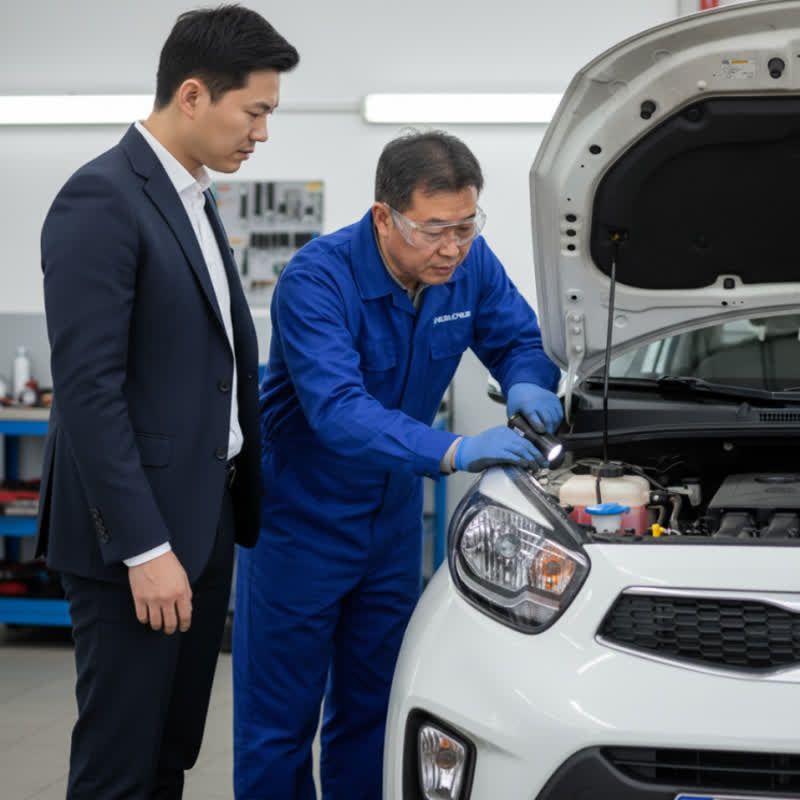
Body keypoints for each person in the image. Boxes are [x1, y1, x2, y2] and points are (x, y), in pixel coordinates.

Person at [233, 130, 563, 799]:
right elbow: (337, 409)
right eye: (434, 229)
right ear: (384, 217)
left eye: (466, 226)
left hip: (390, 526)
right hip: (300, 524)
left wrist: (529, 380)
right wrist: (453, 450)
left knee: (375, 712)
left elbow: (519, 339)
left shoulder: (468, 264)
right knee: (278, 725)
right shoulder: (316, 280)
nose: (452, 247)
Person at [36, 7, 299, 798]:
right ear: (192, 95)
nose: (262, 133)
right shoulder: (101, 198)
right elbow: (88, 392)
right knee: (119, 765)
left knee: (169, 754)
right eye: (254, 111)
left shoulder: (194, 199)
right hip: (136, 537)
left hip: (202, 517)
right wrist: (145, 550)